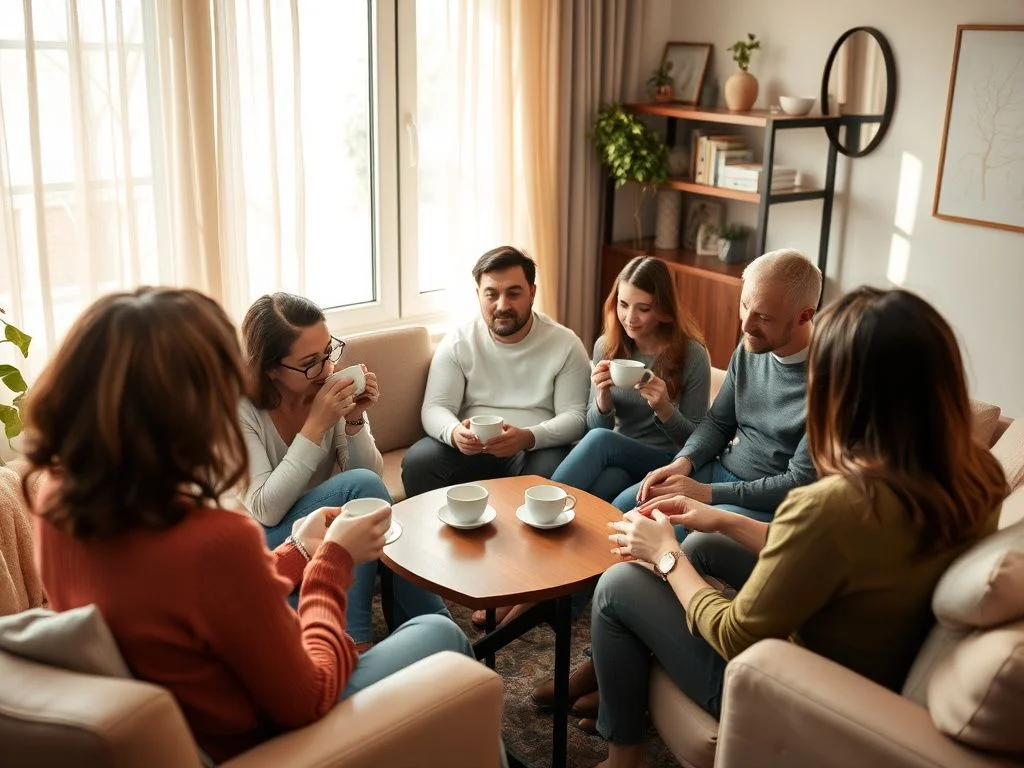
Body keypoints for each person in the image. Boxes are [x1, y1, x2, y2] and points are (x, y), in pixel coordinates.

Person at [27, 288, 474, 764]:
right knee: (441, 637)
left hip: (187, 720)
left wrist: (298, 552)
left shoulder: (57, 501)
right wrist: (331, 563)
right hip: (256, 742)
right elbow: (310, 694)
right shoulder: (215, 538)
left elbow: (190, 597)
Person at [589, 286, 1007, 768]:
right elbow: (846, 554)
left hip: (793, 689)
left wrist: (666, 556)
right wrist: (721, 518)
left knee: (619, 582)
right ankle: (605, 674)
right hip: (866, 650)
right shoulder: (977, 478)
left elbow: (732, 634)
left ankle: (623, 758)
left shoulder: (836, 504)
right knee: (706, 539)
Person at [239, 292, 450, 652]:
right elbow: (264, 509)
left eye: (328, 352)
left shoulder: (328, 387)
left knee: (366, 495)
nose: (325, 369)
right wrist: (315, 426)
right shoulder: (241, 410)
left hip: (329, 518)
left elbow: (371, 479)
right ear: (271, 368)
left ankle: (431, 625)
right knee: (361, 492)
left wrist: (353, 420)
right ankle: (358, 639)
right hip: (269, 541)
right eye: (309, 362)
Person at [613, 249, 822, 523]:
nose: (746, 325)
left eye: (764, 317)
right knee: (622, 509)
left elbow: (797, 482)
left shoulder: (829, 385)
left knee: (664, 535)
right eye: (745, 306)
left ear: (804, 316)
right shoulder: (751, 347)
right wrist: (684, 462)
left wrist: (707, 493)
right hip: (717, 473)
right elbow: (718, 422)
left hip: (760, 504)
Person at [401, 245, 591, 497]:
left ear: (532, 293)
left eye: (514, 293)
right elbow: (435, 406)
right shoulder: (459, 341)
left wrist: (528, 437)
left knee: (550, 476)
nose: (502, 305)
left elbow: (576, 417)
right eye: (491, 294)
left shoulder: (565, 343)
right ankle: (440, 535)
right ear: (478, 294)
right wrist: (455, 433)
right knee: (418, 462)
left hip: (534, 448)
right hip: (471, 449)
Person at [550, 255, 710, 503]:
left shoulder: (693, 356)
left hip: (666, 460)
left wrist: (665, 409)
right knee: (605, 487)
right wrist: (603, 398)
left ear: (663, 311)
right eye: (623, 305)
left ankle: (542, 504)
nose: (630, 317)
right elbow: (595, 426)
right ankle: (550, 529)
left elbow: (699, 441)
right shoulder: (607, 347)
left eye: (643, 308)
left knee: (600, 442)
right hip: (618, 455)